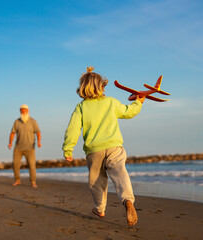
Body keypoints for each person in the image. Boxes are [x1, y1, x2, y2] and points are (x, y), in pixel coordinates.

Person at [62, 66, 145, 226]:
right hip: (114, 147)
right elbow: (128, 112)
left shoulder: (81, 107)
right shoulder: (111, 102)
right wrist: (138, 102)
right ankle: (128, 200)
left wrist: (68, 149)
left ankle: (100, 209)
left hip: (94, 151)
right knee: (120, 174)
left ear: (83, 89)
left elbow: (72, 129)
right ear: (101, 87)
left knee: (96, 181)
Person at [8, 104, 41, 188]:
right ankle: (17, 180)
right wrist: (10, 143)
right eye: (21, 110)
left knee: (32, 165)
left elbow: (38, 132)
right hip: (18, 148)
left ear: (28, 111)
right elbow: (12, 133)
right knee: (15, 164)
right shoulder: (17, 122)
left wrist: (39, 142)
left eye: (24, 110)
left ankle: (33, 182)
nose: (23, 112)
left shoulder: (33, 121)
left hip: (30, 148)